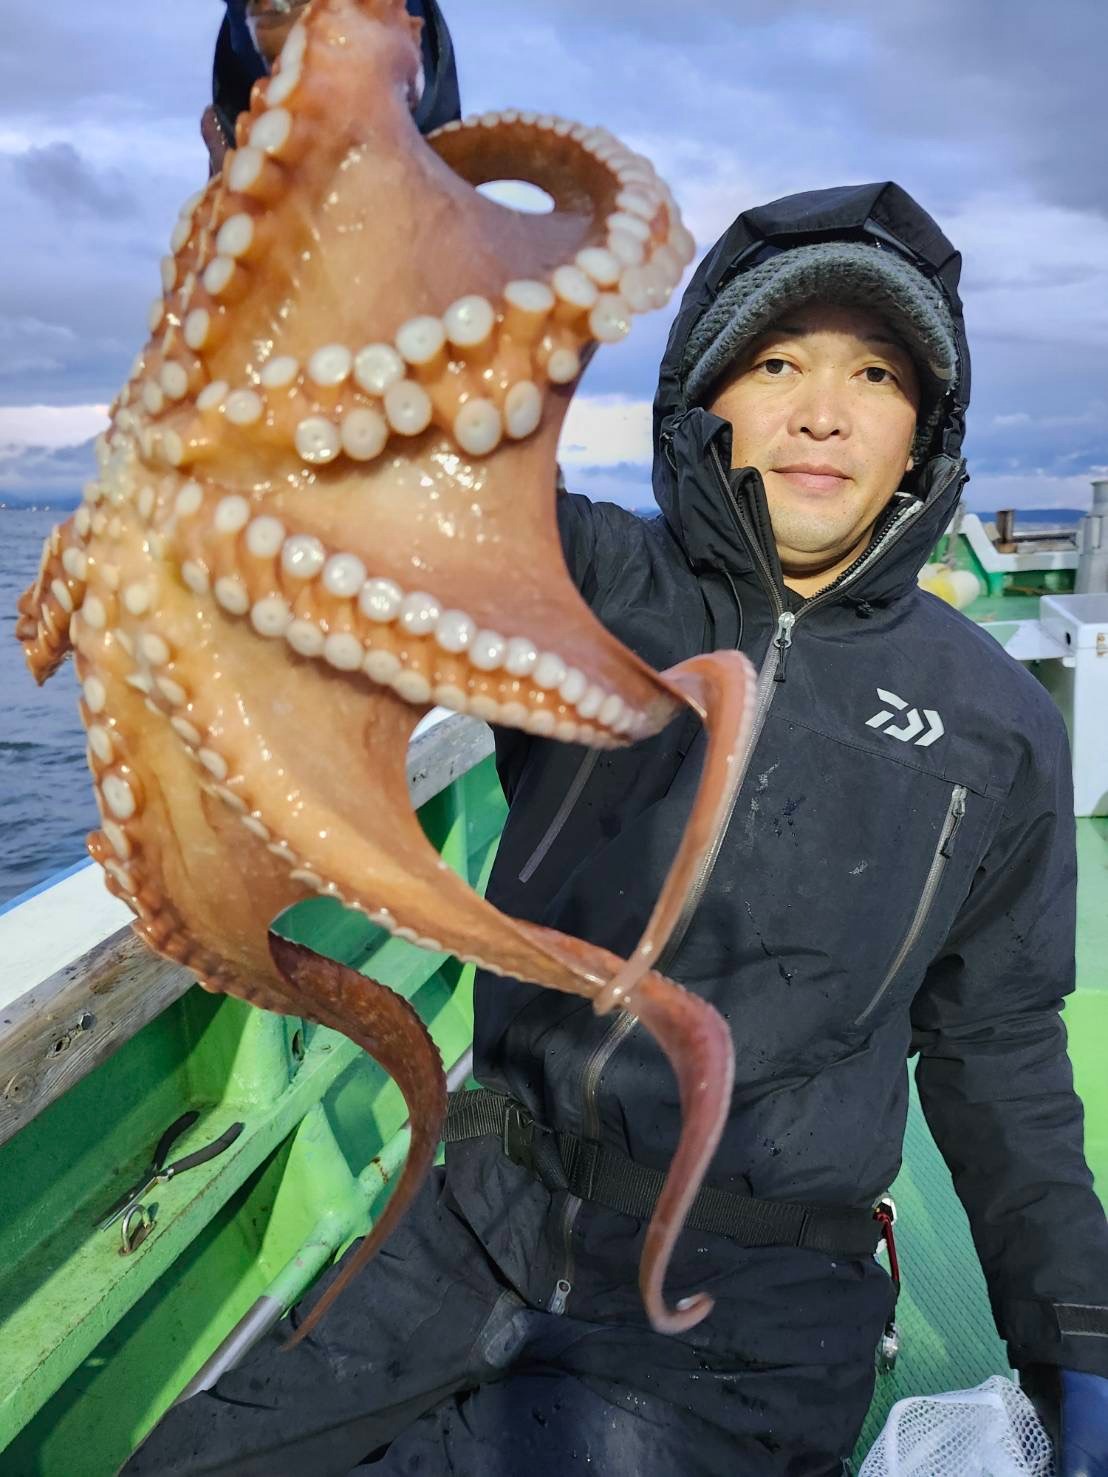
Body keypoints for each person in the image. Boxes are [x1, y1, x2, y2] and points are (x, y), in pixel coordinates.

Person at [122, 12, 1108, 1476]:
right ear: (706, 401)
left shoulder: (999, 731)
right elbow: (368, 437)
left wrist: (1077, 1339)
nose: (824, 411)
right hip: (479, 1207)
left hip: (753, 1295)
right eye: (775, 363)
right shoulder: (578, 583)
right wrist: (339, 134)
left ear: (929, 431)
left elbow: (1000, 1059)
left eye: (878, 377)